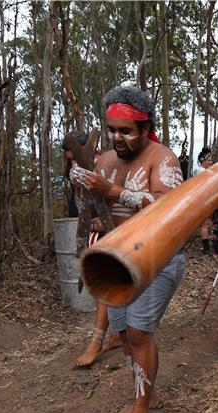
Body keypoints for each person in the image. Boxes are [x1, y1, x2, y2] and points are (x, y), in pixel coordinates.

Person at [70, 86, 185, 413]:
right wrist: (82, 187)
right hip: (118, 259)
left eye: (126, 131)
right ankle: (147, 392)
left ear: (145, 126)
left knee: (138, 332)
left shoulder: (163, 159)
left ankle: (141, 409)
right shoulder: (103, 162)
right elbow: (94, 213)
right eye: (112, 129)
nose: (117, 137)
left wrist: (113, 192)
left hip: (156, 259)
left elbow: (171, 209)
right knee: (123, 335)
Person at [64, 131, 124, 368]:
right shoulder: (76, 172)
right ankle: (117, 334)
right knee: (107, 284)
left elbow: (119, 197)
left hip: (122, 232)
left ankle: (97, 342)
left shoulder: (111, 162)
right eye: (71, 160)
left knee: (107, 285)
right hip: (101, 234)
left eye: (75, 157)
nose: (73, 163)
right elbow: (85, 206)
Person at [196, 147, 218, 256]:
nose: (211, 162)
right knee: (206, 224)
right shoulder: (201, 172)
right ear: (203, 161)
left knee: (217, 223)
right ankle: (206, 249)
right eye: (209, 160)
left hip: (213, 200)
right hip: (206, 201)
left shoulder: (208, 171)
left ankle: (217, 246)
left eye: (211, 160)